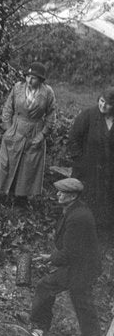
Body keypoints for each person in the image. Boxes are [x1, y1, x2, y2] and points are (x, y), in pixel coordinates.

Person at [16, 178, 103, 336]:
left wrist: (50, 258)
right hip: (81, 265)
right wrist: (51, 256)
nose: (58, 194)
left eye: (62, 192)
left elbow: (70, 253)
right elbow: (72, 248)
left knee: (47, 286)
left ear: (72, 196)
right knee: (80, 298)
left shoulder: (78, 217)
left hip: (82, 268)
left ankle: (40, 327)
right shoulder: (74, 210)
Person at [0, 63, 56, 204]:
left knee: (28, 165)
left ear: (41, 80)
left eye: (34, 78)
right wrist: (8, 128)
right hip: (16, 128)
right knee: (4, 162)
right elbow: (7, 108)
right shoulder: (18, 88)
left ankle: (19, 196)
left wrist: (42, 135)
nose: (29, 81)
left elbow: (51, 116)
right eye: (28, 77)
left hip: (35, 130)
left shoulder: (47, 93)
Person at [67, 87, 114, 232]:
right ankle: (81, 230)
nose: (103, 106)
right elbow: (73, 139)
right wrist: (80, 161)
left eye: (108, 104)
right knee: (86, 200)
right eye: (101, 101)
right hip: (88, 169)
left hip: (109, 171)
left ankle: (103, 231)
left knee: (106, 200)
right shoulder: (89, 115)